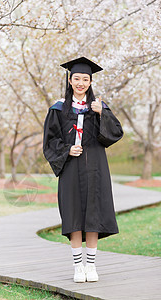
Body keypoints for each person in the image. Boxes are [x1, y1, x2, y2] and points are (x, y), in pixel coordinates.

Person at [43, 57, 123, 283]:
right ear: (70, 80)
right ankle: (78, 267)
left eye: (85, 79)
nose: (81, 83)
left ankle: (91, 266)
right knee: (74, 215)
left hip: (96, 169)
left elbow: (115, 133)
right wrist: (67, 150)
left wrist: (101, 114)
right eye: (76, 78)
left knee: (94, 213)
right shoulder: (58, 109)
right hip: (71, 169)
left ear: (90, 81)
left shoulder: (99, 106)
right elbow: (49, 142)